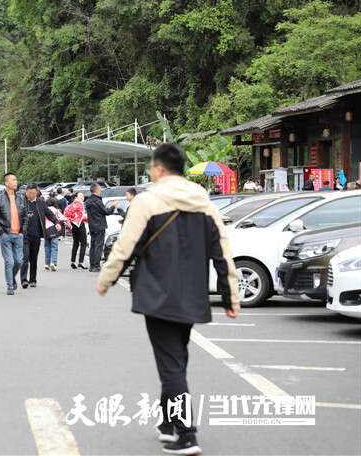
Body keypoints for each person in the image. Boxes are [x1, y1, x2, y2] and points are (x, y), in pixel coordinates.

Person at [96, 143, 240, 455]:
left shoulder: (148, 201)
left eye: (151, 167)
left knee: (171, 363)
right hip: (192, 295)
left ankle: (187, 434)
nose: (151, 172)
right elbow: (222, 250)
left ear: (159, 169)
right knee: (175, 359)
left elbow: (125, 246)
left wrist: (106, 279)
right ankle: (167, 423)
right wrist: (230, 296)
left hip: (157, 295)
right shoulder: (203, 200)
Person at [0, 172, 28, 295]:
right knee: (9, 262)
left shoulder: (21, 198)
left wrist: (22, 231)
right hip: (6, 234)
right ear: (6, 183)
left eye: (16, 179)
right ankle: (10, 285)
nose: (16, 182)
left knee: (19, 261)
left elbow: (25, 217)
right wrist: (1, 232)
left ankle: (11, 278)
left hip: (19, 235)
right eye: (13, 180)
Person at [20, 183, 61, 288]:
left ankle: (33, 280)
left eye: (34, 193)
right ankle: (24, 280)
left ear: (37, 192)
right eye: (29, 193)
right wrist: (25, 216)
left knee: (33, 258)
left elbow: (49, 213)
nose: (31, 195)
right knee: (25, 257)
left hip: (36, 234)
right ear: (26, 191)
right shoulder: (21, 201)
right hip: (24, 234)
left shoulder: (40, 202)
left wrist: (56, 222)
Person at [85, 183, 119, 272]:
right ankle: (96, 266)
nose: (100, 191)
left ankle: (92, 265)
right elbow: (106, 212)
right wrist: (113, 206)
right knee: (98, 246)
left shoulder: (88, 201)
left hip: (92, 226)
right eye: (100, 189)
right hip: (99, 226)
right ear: (97, 190)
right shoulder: (98, 201)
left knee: (93, 246)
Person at [44, 198, 69, 271]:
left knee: (47, 247)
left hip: (46, 230)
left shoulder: (44, 210)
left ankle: (46, 264)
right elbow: (63, 218)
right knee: (54, 247)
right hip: (54, 229)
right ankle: (53, 263)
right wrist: (69, 226)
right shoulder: (56, 210)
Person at [64, 192, 88, 269]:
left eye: (83, 195)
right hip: (79, 224)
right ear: (76, 197)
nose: (82, 197)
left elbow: (66, 214)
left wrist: (70, 222)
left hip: (72, 225)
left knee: (75, 243)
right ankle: (81, 262)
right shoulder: (80, 204)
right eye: (80, 195)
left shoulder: (70, 205)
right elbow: (81, 216)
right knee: (83, 243)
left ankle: (73, 261)